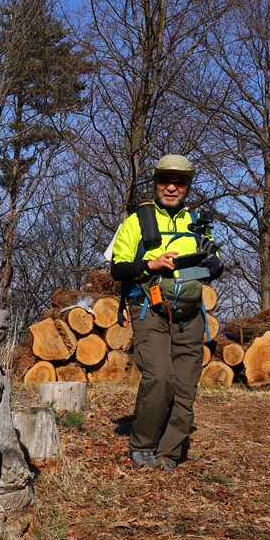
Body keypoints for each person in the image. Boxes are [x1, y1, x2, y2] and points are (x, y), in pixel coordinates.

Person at [109, 154, 222, 470]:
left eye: (179, 182)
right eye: (165, 181)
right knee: (159, 377)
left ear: (187, 186)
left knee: (185, 387)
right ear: (156, 183)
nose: (171, 187)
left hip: (190, 313)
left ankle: (169, 452)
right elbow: (118, 269)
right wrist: (151, 264)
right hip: (149, 308)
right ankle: (143, 443)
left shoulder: (197, 222)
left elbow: (214, 263)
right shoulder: (136, 222)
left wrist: (213, 264)